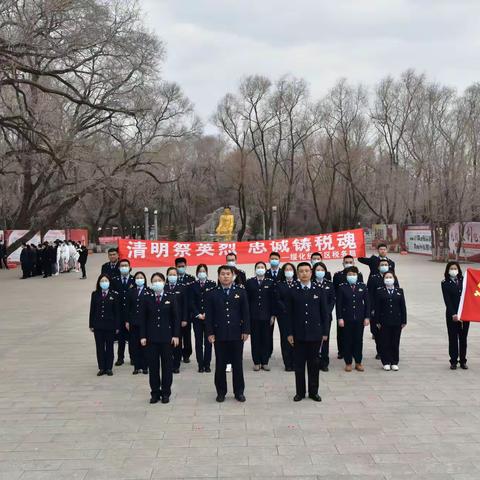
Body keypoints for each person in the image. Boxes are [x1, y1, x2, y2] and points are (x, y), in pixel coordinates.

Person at [206, 265, 250, 402]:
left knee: (237, 364)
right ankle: (221, 392)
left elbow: (246, 313)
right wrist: (210, 333)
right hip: (219, 334)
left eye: (228, 274)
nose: (225, 276)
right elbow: (209, 316)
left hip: (237, 334)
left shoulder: (240, 292)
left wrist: (246, 330)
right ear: (218, 276)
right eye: (223, 274)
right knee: (220, 364)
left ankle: (239, 392)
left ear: (233, 276)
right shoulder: (212, 293)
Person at [286, 262, 329, 402]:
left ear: (311, 273)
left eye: (306, 271)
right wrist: (289, 333)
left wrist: (325, 332)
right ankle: (300, 392)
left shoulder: (319, 290)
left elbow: (325, 313)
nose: (304, 273)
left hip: (315, 334)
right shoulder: (292, 290)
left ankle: (313, 392)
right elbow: (289, 315)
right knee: (299, 365)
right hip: (298, 334)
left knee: (314, 364)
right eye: (301, 271)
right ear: (297, 274)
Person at [141, 273, 180, 404]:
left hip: (167, 338)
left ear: (164, 282)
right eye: (154, 281)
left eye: (159, 280)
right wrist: (143, 336)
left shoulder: (171, 297)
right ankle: (154, 393)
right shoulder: (147, 298)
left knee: (167, 367)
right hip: (151, 338)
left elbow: (175, 318)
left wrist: (175, 335)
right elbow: (143, 319)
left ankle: (166, 392)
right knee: (153, 367)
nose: (157, 283)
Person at [336, 266, 370, 372]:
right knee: (347, 340)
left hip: (359, 319)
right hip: (346, 319)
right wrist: (340, 318)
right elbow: (339, 305)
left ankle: (358, 362)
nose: (352, 276)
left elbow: (367, 303)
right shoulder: (342, 287)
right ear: (346, 276)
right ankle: (348, 362)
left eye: (354, 274)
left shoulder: (362, 286)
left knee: (358, 341)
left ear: (357, 275)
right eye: (350, 275)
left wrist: (367, 317)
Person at [333, 255, 364, 359]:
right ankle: (341, 351)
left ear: (354, 263)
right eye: (346, 262)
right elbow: (335, 290)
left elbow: (361, 289)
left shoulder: (358, 275)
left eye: (350, 262)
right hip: (343, 306)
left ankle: (354, 353)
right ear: (343, 263)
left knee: (356, 334)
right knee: (341, 332)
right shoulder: (338, 275)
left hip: (355, 308)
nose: (348, 263)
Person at [367, 259, 399, 359]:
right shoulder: (373, 278)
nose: (384, 266)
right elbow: (369, 294)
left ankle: (390, 352)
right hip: (377, 309)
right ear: (378, 267)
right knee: (377, 332)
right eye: (382, 265)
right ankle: (380, 351)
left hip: (389, 309)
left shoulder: (393, 278)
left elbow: (398, 293)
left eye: (386, 264)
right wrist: (371, 309)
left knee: (390, 333)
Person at [375, 271, 407, 371]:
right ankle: (386, 361)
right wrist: (377, 321)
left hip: (397, 321)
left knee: (395, 342)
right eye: (386, 277)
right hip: (384, 321)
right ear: (384, 280)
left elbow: (403, 307)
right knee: (385, 341)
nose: (388, 279)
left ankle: (394, 361)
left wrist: (404, 320)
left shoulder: (399, 291)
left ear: (394, 279)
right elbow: (377, 307)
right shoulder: (380, 291)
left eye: (390, 277)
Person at [89, 274, 120, 376]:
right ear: (99, 283)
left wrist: (117, 326)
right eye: (102, 281)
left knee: (110, 347)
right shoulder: (95, 294)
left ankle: (109, 368)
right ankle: (102, 367)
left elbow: (117, 312)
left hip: (110, 326)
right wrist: (91, 324)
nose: (104, 283)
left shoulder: (114, 295)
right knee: (100, 347)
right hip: (98, 325)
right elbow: (92, 310)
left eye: (106, 281)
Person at [246, 262, 275, 371]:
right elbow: (247, 300)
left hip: (267, 316)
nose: (260, 269)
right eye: (258, 267)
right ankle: (257, 362)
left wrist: (273, 315)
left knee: (266, 339)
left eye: (262, 267)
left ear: (265, 269)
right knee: (255, 339)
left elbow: (273, 300)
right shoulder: (250, 282)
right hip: (253, 316)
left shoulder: (270, 282)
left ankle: (265, 361)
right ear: (255, 270)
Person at [441, 261, 469, 370]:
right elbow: (447, 300)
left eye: (455, 268)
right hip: (452, 315)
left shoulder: (464, 281)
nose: (454, 270)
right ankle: (453, 361)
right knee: (453, 338)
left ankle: (463, 361)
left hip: (464, 314)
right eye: (451, 268)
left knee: (463, 338)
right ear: (448, 270)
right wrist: (453, 313)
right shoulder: (445, 283)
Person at [189, 264, 216, 373]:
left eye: (204, 271)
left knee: (208, 341)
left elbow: (214, 300)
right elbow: (191, 302)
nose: (202, 273)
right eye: (200, 271)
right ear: (197, 273)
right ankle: (200, 364)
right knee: (198, 342)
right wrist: (198, 314)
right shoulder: (192, 285)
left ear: (207, 273)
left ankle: (207, 364)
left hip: (209, 318)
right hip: (197, 319)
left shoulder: (212, 284)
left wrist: (207, 313)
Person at [273, 263, 298, 371]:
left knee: (297, 338)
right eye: (286, 269)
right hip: (283, 315)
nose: (288, 271)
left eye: (290, 269)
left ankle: (296, 361)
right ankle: (287, 363)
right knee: (285, 338)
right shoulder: (279, 284)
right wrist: (285, 309)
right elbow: (277, 299)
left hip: (297, 315)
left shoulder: (298, 283)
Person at [312, 262, 335, 372]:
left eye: (322, 270)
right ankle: (314, 361)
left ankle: (324, 362)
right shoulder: (311, 283)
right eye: (317, 270)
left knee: (325, 339)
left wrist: (327, 311)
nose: (320, 272)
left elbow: (332, 300)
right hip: (313, 317)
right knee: (314, 340)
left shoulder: (329, 284)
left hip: (326, 317)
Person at [165, 267, 189, 373]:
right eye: (170, 274)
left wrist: (184, 319)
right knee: (167, 343)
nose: (172, 276)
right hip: (166, 320)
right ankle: (168, 363)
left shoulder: (182, 287)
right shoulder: (164, 287)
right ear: (167, 276)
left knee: (177, 343)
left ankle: (176, 365)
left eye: (174, 274)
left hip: (178, 319)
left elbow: (185, 305)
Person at [111, 259, 135, 366]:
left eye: (126, 265)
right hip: (119, 313)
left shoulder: (135, 279)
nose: (124, 267)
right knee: (120, 338)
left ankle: (133, 357)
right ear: (119, 268)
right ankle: (120, 358)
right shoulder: (114, 280)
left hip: (131, 313)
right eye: (122, 265)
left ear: (130, 267)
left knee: (132, 337)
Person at [127, 271, 149, 375]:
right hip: (133, 322)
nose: (139, 279)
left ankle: (145, 366)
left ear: (144, 279)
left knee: (144, 345)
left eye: (141, 277)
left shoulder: (149, 291)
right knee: (134, 345)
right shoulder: (131, 291)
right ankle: (136, 366)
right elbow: (128, 307)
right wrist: (127, 320)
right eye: (137, 278)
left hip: (145, 322)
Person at [174, 257, 194, 363]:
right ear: (176, 267)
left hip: (187, 311)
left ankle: (186, 354)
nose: (181, 268)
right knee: (177, 334)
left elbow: (192, 297)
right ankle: (177, 353)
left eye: (183, 266)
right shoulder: (172, 278)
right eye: (179, 266)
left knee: (187, 335)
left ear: (186, 266)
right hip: (175, 311)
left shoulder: (190, 279)